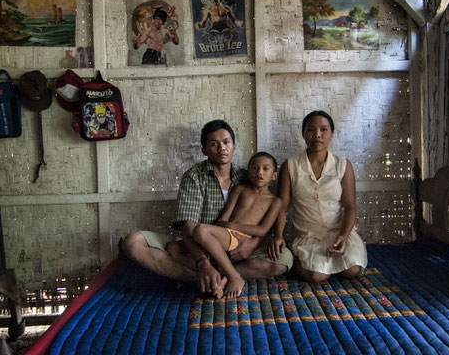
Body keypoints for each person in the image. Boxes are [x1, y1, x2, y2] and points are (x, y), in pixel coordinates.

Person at [121, 120, 293, 296]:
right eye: (214, 144)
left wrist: (252, 243)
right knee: (134, 242)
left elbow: (267, 216)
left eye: (226, 142)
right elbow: (189, 226)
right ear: (204, 150)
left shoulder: (246, 176)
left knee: (284, 260)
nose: (222, 148)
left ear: (234, 146)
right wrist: (202, 261)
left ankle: (212, 277)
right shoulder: (195, 177)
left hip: (237, 244)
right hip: (199, 244)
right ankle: (204, 278)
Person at [268, 110, 367, 283]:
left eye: (323, 130)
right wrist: (278, 235)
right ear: (303, 134)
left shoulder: (343, 165)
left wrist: (343, 236)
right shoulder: (290, 166)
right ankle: (299, 257)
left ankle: (334, 256)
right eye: (311, 130)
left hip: (338, 232)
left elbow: (350, 206)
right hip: (307, 236)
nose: (317, 135)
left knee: (353, 269)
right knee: (317, 276)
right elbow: (281, 207)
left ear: (331, 134)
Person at [192, 152, 281, 298]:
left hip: (243, 239)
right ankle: (220, 277)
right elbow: (223, 220)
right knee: (177, 245)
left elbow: (263, 230)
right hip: (226, 236)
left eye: (265, 169)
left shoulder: (275, 201)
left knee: (200, 229)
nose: (259, 172)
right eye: (254, 168)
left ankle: (232, 276)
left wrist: (232, 226)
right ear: (248, 171)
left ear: (274, 175)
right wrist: (225, 228)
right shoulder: (239, 189)